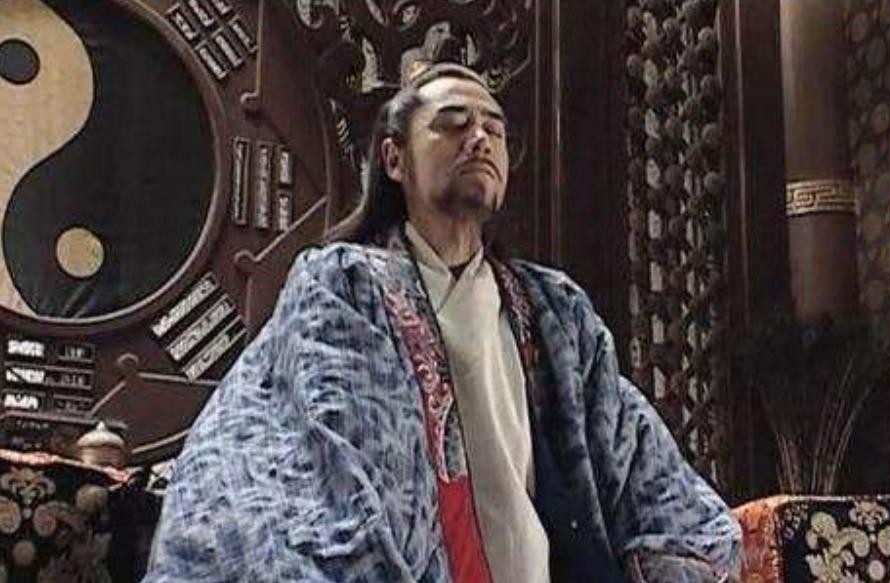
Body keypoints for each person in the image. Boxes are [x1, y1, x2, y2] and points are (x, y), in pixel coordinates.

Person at [145, 62, 741, 582]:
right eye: (453, 124)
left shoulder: (555, 312)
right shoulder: (343, 284)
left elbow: (641, 461)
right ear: (394, 158)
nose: (480, 138)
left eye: (495, 130)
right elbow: (322, 467)